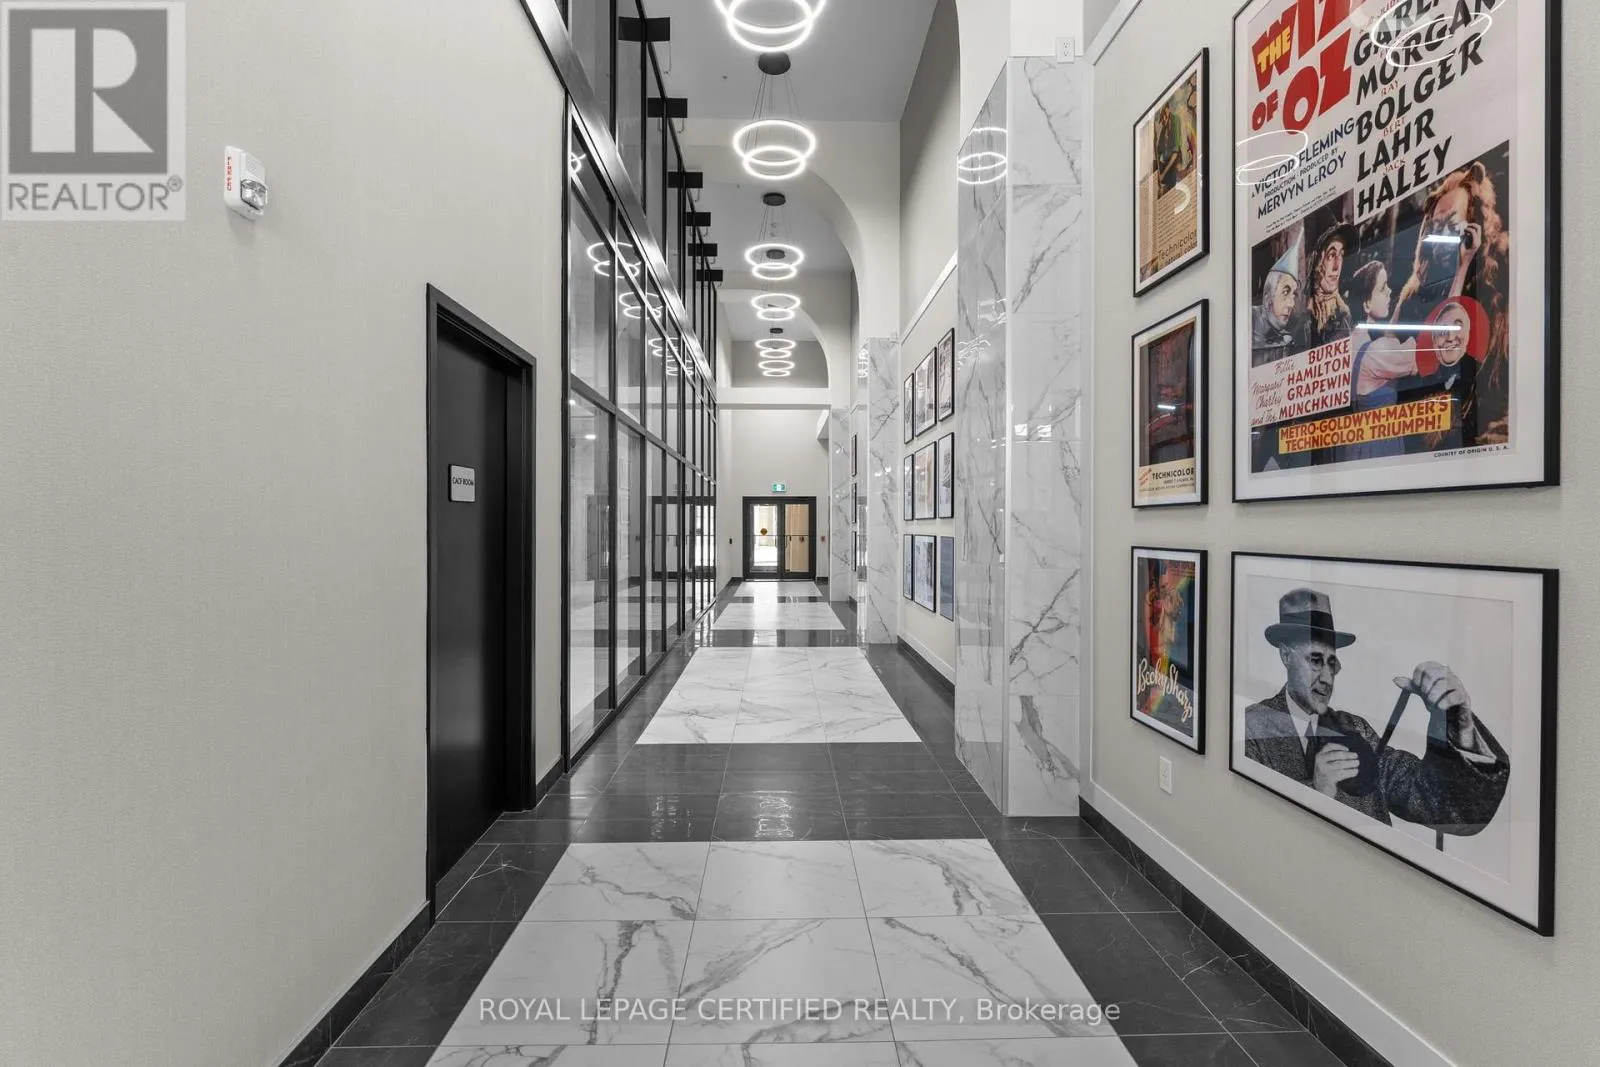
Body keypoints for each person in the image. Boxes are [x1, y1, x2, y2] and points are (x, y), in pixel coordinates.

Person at [1242, 588, 1509, 833]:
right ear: (1286, 656)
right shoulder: (1250, 728)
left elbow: (1439, 805)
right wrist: (1316, 791)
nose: (1326, 678)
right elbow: (1246, 830)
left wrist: (1459, 724)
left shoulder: (1354, 729)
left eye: (1332, 663)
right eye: (1315, 660)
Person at [1392, 160, 1509, 444]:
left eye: (1451, 225)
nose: (1441, 237)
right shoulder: (1413, 298)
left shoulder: (1497, 286)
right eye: (1436, 227)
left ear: (1474, 224)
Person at [1337, 260, 1437, 462]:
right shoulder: (1377, 352)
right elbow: (1430, 350)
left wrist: (1402, 299)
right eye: (1383, 288)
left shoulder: (1351, 344)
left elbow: (1388, 339)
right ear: (1366, 304)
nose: (1390, 291)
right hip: (1381, 445)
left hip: (1355, 445)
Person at [1293, 221, 1356, 348]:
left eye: (1341, 255)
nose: (1337, 266)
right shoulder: (1303, 324)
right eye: (1331, 255)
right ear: (1316, 261)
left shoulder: (1345, 316)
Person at [1251, 234, 1301, 367]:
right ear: (1268, 296)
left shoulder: (1288, 340)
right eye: (1285, 292)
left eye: (1294, 295)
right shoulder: (1246, 323)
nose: (1291, 304)